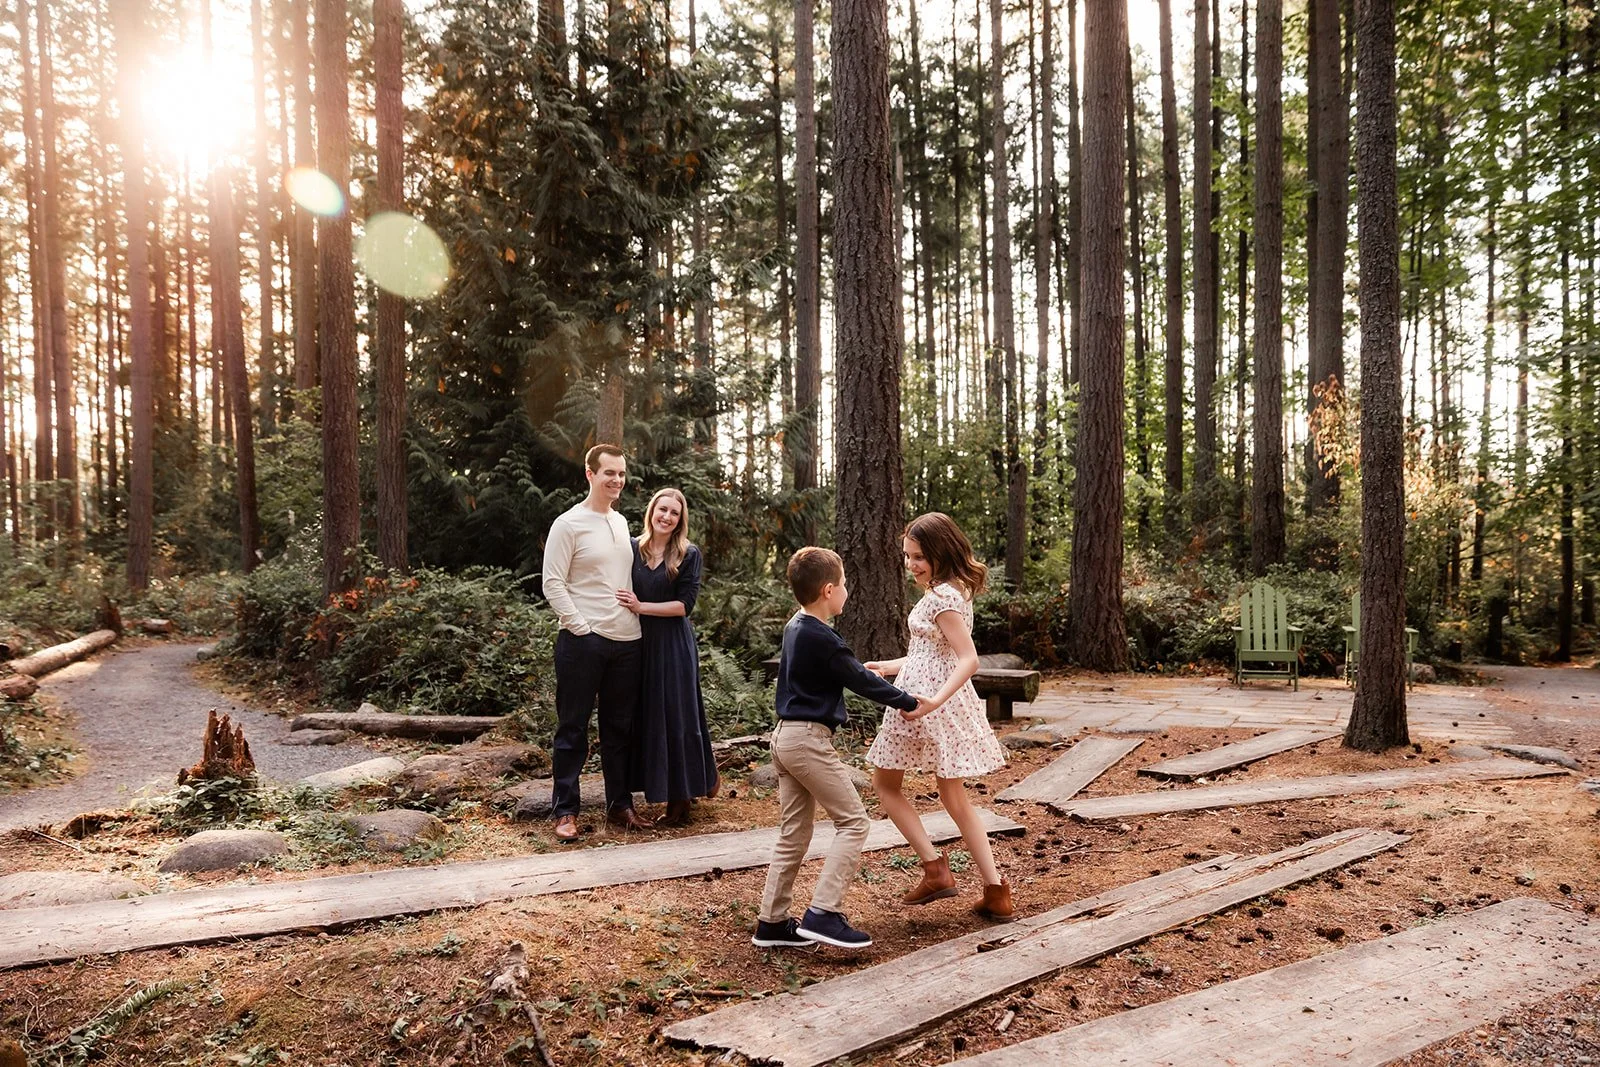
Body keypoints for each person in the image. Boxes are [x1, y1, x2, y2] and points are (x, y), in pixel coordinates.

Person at [752, 547, 928, 951]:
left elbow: (835, 673)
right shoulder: (823, 636)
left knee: (793, 833)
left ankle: (772, 923)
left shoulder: (797, 626)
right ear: (829, 590)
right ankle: (823, 914)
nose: (847, 590)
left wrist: (855, 669)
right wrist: (908, 701)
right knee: (855, 822)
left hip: (785, 738)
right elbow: (860, 682)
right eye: (844, 584)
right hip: (808, 742)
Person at [864, 512, 1014, 920]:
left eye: (919, 557)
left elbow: (969, 659)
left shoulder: (942, 597)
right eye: (908, 556)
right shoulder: (951, 590)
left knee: (886, 784)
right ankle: (994, 889)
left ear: (940, 552)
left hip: (928, 702)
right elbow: (932, 654)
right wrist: (889, 667)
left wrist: (934, 701)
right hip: (925, 694)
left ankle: (935, 869)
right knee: (952, 796)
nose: (912, 564)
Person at [541, 444, 650, 842]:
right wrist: (580, 627)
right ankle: (566, 811)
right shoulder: (568, 524)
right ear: (590, 474)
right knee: (572, 728)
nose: (617, 480)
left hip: (628, 642)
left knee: (619, 729)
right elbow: (552, 582)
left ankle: (620, 806)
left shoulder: (621, 524)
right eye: (609, 473)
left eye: (621, 474)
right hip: (583, 642)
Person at [615, 487, 719, 827]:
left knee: (677, 715)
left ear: (680, 519)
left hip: (673, 645)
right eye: (662, 509)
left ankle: (681, 799)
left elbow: (684, 606)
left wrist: (641, 606)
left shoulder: (688, 554)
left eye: (674, 512)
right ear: (651, 511)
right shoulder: (631, 548)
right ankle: (646, 789)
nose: (667, 516)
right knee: (646, 715)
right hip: (638, 643)